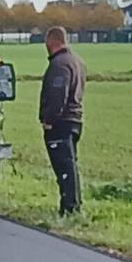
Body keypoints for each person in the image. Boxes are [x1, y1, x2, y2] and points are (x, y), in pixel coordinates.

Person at [40, 26, 86, 215]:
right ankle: (73, 205)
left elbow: (59, 94)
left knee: (64, 167)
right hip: (75, 119)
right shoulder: (77, 62)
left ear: (51, 42)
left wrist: (49, 119)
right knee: (71, 164)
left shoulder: (59, 65)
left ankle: (70, 208)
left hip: (61, 122)